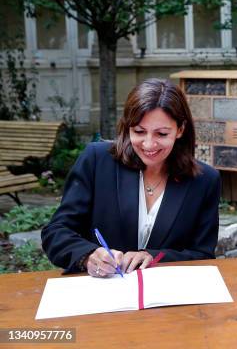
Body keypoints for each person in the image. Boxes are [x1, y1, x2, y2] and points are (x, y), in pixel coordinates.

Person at [42, 78, 220, 277]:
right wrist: (88, 255)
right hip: (100, 293)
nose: (149, 144)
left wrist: (153, 257)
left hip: (166, 298)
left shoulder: (204, 180)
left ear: (180, 130)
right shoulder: (97, 160)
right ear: (127, 127)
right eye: (139, 131)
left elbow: (202, 254)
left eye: (161, 133)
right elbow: (56, 232)